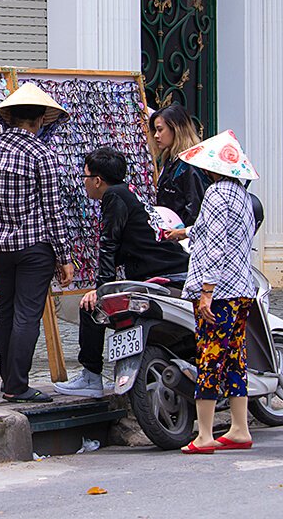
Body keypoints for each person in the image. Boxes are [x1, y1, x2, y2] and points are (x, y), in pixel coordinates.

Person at [53, 147, 190, 398]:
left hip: (163, 273)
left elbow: (109, 245)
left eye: (85, 177)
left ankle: (91, 377)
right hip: (166, 269)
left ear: (97, 180)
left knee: (92, 308)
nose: (84, 184)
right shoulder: (126, 193)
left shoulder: (114, 197)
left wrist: (100, 289)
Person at [0, 83, 75, 403]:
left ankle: (9, 380)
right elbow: (52, 210)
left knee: (6, 310)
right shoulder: (42, 154)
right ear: (41, 120)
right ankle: (17, 385)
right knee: (27, 314)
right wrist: (64, 256)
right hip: (34, 247)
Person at [175, 130, 259, 454]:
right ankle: (239, 428)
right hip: (242, 289)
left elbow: (214, 245)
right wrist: (182, 232)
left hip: (220, 292)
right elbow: (213, 230)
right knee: (236, 358)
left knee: (209, 359)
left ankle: (205, 435)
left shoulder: (214, 194)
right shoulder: (240, 195)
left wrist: (207, 290)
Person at [149, 104, 210, 227]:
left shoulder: (190, 164)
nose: (156, 135)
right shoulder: (171, 159)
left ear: (176, 129)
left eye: (160, 130)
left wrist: (180, 231)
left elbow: (195, 209)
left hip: (182, 235)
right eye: (155, 130)